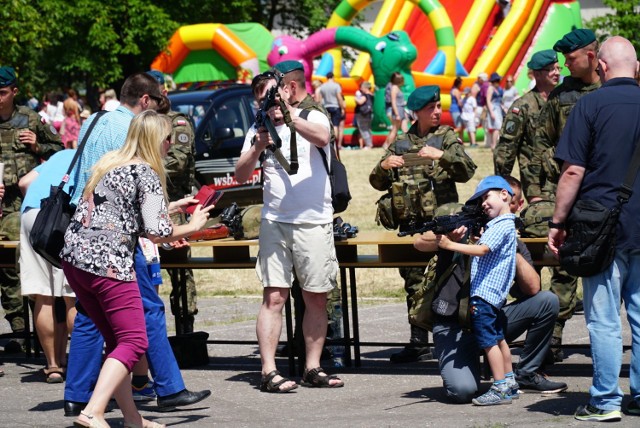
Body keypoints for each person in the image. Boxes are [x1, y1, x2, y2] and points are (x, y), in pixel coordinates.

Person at [63, 73, 210, 417]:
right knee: (134, 341)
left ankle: (133, 419)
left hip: (75, 258)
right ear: (155, 140)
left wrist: (169, 207)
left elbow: (118, 210)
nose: (171, 146)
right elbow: (157, 233)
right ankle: (94, 411)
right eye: (168, 140)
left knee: (116, 341)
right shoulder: (146, 172)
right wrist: (193, 225)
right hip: (108, 263)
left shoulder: (110, 164)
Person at [235, 61, 344, 392]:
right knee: (274, 297)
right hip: (275, 222)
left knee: (316, 298)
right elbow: (240, 175)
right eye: (260, 98)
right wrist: (257, 144)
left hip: (314, 222)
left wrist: (291, 118)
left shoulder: (312, 115)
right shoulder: (259, 128)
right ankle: (268, 371)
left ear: (290, 90)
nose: (265, 103)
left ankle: (312, 367)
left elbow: (324, 137)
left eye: (271, 95)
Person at [548, 36, 640, 423]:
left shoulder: (590, 104)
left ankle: (605, 400)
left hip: (602, 226)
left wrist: (556, 222)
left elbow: (572, 171)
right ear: (636, 68)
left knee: (603, 318)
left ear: (600, 67)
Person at [419, 176, 566, 404]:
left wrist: (507, 248)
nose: (488, 207)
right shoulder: (460, 221)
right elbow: (419, 242)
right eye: (484, 201)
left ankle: (519, 377)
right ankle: (498, 380)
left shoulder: (502, 231)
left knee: (547, 301)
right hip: (453, 325)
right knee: (462, 391)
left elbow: (533, 287)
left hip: (487, 310)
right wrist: (448, 239)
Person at [370, 85, 477, 363]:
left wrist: (441, 156)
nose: (438, 112)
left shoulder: (446, 137)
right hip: (412, 227)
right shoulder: (401, 144)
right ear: (416, 113)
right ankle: (417, 342)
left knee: (448, 282)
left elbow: (467, 170)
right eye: (431, 109)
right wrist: (384, 166)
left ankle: (453, 340)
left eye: (439, 106)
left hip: (443, 228)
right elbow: (376, 182)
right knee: (414, 283)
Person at [528, 28, 601, 362]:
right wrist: (540, 190)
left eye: (569, 58)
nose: (564, 65)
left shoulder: (615, 85)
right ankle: (552, 342)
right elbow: (539, 142)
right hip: (571, 195)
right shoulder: (561, 96)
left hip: (612, 195)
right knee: (565, 269)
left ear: (590, 55)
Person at [434, 176, 517, 405]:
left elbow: (482, 250)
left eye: (486, 196)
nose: (483, 203)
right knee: (500, 340)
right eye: (480, 199)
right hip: (494, 297)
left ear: (503, 194)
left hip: (483, 295)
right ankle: (509, 382)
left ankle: (499, 388)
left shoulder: (500, 225)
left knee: (489, 342)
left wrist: (450, 245)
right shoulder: (508, 224)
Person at [0, 66, 63, 353]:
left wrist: (38, 146)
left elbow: (60, 152)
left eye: (2, 93)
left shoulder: (30, 118)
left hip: (23, 202)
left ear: (14, 91)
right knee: (5, 270)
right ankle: (17, 328)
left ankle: (27, 333)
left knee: (20, 264)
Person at [18, 149, 78, 383]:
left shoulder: (59, 156)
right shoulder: (92, 154)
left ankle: (53, 365)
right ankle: (83, 362)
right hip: (63, 217)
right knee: (71, 296)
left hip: (33, 214)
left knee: (43, 295)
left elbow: (24, 183)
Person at [147, 70, 198, 336]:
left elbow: (177, 162)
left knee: (180, 274)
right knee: (147, 271)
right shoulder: (142, 124)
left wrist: (145, 167)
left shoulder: (177, 123)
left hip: (174, 207)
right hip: (148, 208)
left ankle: (185, 327)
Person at [494, 50, 561, 195]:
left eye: (558, 68)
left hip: (563, 177)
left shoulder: (563, 100)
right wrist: (499, 184)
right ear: (537, 74)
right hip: (536, 183)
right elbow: (506, 148)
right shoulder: (522, 106)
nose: (556, 73)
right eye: (550, 69)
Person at [318, 72, 345, 150]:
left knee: (329, 126)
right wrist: (342, 107)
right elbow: (339, 97)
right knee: (335, 126)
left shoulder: (322, 86)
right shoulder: (336, 86)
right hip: (335, 106)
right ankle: (335, 144)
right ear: (333, 77)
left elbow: (320, 99)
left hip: (326, 107)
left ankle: (330, 144)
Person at [382, 72, 409, 149]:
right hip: (397, 111)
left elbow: (398, 101)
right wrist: (397, 114)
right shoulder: (394, 88)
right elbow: (393, 102)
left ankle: (407, 146)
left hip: (401, 110)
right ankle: (388, 146)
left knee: (405, 129)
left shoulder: (397, 87)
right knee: (394, 129)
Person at [484, 72, 504, 149]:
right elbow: (488, 100)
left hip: (498, 108)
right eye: (498, 80)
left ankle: (494, 143)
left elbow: (500, 100)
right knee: (497, 127)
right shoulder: (491, 88)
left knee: (498, 126)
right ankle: (494, 144)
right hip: (494, 108)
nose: (499, 82)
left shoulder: (498, 89)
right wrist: (491, 112)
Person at [354, 81, 374, 150]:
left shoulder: (365, 95)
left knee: (363, 129)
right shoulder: (372, 95)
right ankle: (370, 144)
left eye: (362, 87)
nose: (361, 89)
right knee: (368, 129)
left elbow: (360, 102)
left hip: (362, 114)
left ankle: (368, 145)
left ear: (365, 88)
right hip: (369, 114)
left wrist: (355, 98)